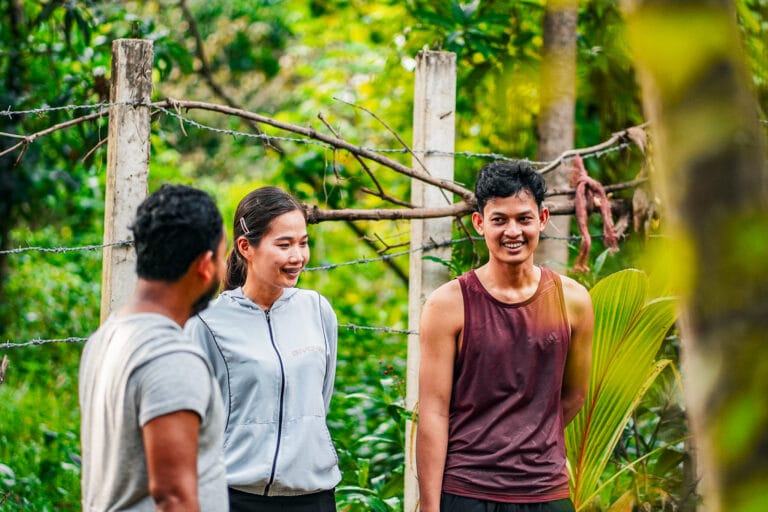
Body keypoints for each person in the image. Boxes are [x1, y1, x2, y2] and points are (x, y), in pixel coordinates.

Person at [416, 161, 594, 512]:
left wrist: (529, 437)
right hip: (467, 491)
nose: (513, 231)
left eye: (523, 219)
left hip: (546, 493)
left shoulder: (573, 301)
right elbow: (433, 412)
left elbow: (574, 395)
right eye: (499, 219)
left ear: (542, 219)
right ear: (480, 223)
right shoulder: (447, 305)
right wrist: (430, 507)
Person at [185, 186, 340, 512]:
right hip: (234, 496)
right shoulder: (207, 323)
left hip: (314, 496)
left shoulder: (317, 310)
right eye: (284, 245)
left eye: (303, 242)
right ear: (246, 247)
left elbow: (320, 399)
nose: (297, 256)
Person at [79, 184, 229, 511]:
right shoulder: (171, 358)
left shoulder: (106, 337)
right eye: (222, 256)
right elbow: (173, 498)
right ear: (205, 265)